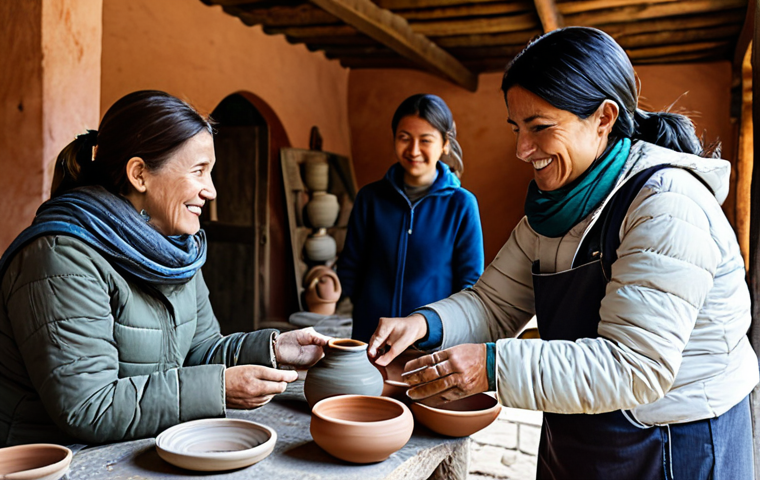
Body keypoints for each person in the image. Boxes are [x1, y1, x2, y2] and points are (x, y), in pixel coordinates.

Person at [368, 28, 758, 479]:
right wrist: (425, 324)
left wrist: (492, 365)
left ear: (604, 118)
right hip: (583, 430)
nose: (522, 150)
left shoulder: (667, 204)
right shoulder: (557, 206)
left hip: (673, 442)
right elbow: (492, 303)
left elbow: (635, 366)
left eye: (540, 127)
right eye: (517, 128)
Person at [0, 90, 329, 447]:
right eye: (199, 171)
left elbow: (197, 351)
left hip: (131, 448)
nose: (212, 191)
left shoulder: (175, 250)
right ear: (139, 174)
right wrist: (219, 389)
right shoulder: (61, 258)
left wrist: (273, 348)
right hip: (53, 460)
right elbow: (89, 407)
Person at [337, 94, 484, 343]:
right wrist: (329, 294)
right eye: (404, 138)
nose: (414, 150)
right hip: (370, 341)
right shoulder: (370, 199)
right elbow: (350, 268)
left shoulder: (461, 204)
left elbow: (470, 285)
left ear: (445, 143)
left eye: (425, 140)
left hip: (432, 345)